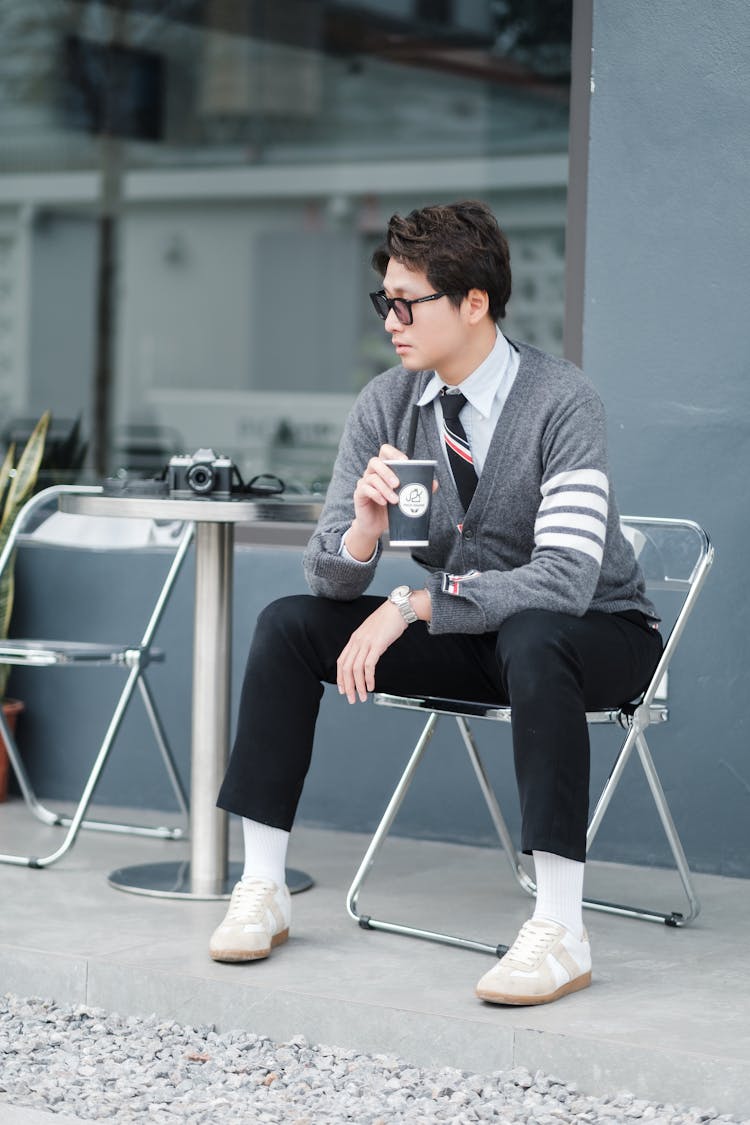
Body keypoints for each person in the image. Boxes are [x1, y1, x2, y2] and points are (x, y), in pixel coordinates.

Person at [209, 200, 662, 1006]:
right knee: (288, 624)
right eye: (384, 300)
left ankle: (561, 929)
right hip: (475, 635)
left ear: (474, 302)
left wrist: (416, 601)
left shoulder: (564, 402)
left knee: (535, 636)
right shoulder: (388, 404)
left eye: (408, 301)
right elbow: (330, 582)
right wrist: (364, 532)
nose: (391, 319)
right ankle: (264, 885)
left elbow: (564, 580)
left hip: (596, 636)